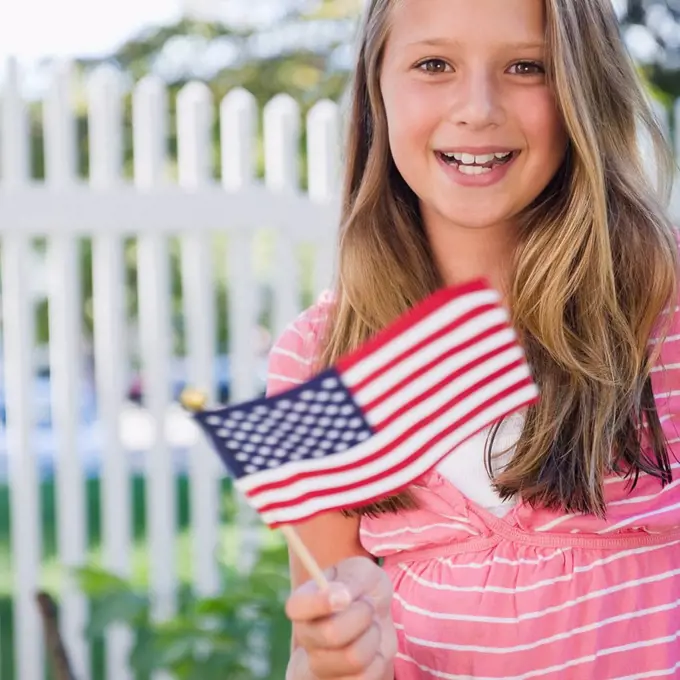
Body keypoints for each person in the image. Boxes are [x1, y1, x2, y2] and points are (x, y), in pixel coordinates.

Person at [267, 0, 680, 677]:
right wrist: (333, 664)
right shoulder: (318, 361)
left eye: (527, 66)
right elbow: (321, 636)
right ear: (376, 91)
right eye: (434, 64)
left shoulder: (665, 310)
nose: (478, 108)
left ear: (583, 84)